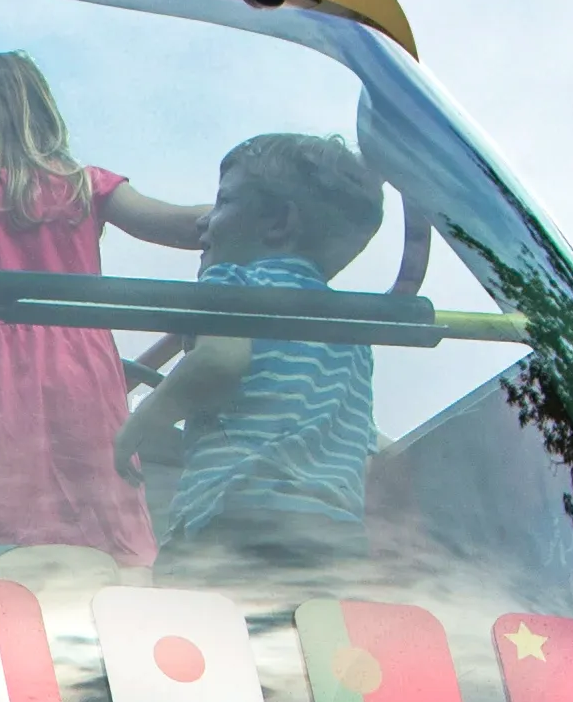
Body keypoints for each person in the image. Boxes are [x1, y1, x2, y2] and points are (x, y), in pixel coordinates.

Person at [0, 53, 207, 564]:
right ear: (40, 111)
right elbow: (177, 225)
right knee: (98, 473)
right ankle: (121, 570)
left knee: (0, 485)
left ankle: (4, 574)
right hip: (82, 361)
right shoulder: (85, 185)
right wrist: (247, 218)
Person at [122, 134, 385, 563]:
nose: (204, 221)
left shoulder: (233, 284)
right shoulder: (352, 329)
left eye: (223, 203)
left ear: (279, 223)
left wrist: (134, 428)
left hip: (236, 519)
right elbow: (362, 450)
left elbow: (219, 362)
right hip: (334, 537)